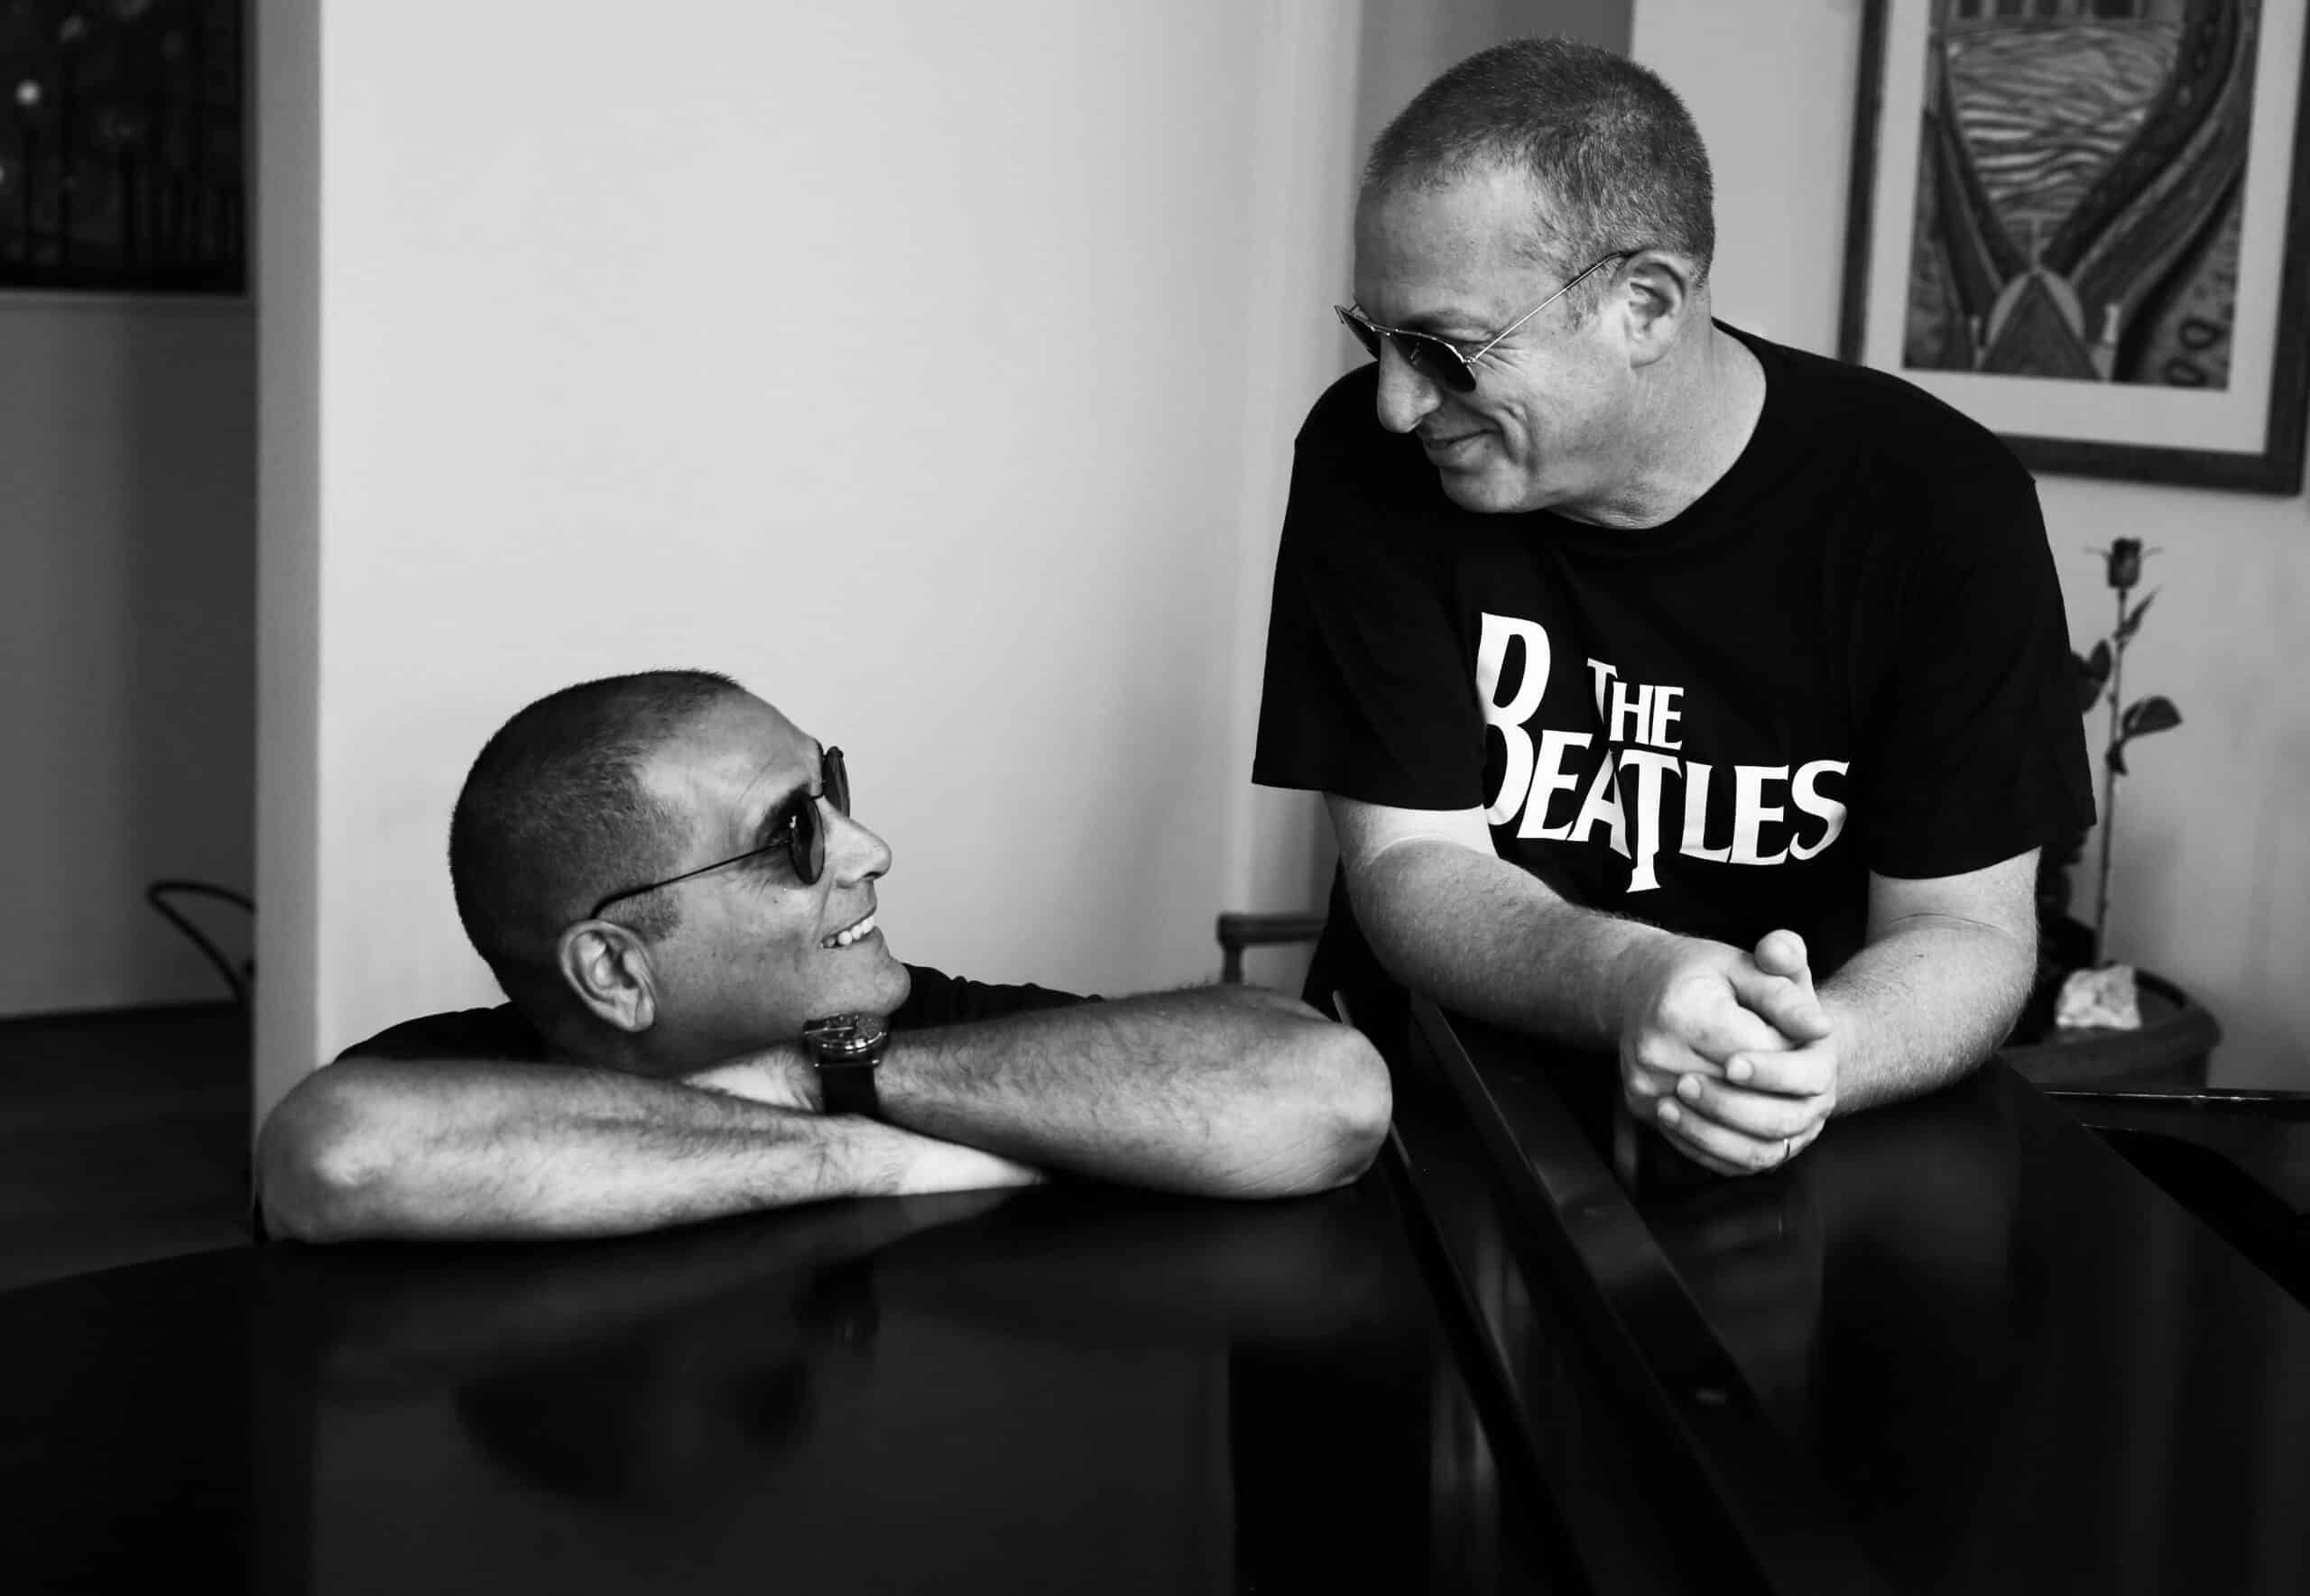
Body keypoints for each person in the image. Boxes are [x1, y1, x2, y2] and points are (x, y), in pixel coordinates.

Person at [1253, 39, 2093, 1178]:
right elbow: (1411, 863)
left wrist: (1813, 1062)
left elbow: (1967, 927)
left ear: (1643, 305)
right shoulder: (1365, 464)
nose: (1398, 405)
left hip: (1797, 1162)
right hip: (1428, 1135)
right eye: (1376, 338)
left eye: (1443, 350)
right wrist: (1636, 979)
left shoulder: (1940, 505)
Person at [257, 669, 1391, 1241]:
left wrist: (824, 1077)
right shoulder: (447, 1081)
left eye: (831, 787)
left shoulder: (911, 1036)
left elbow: (1324, 1089)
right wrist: (864, 1152)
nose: (867, 847)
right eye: (791, 830)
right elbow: (338, 1152)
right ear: (615, 972)